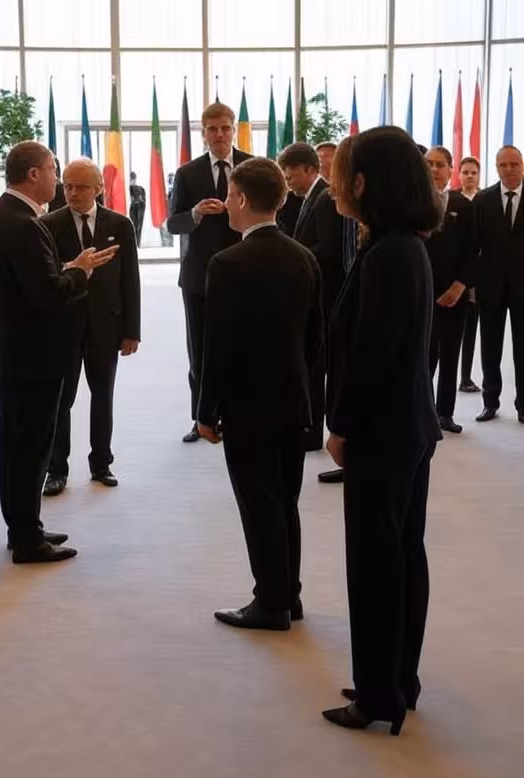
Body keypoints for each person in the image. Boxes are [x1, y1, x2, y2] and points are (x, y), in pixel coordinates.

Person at [322, 128, 442, 735]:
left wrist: (340, 425)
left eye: (344, 174)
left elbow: (371, 354)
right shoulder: (404, 244)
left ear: (365, 183)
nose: (335, 184)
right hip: (408, 427)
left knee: (375, 564)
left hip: (383, 432)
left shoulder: (390, 252)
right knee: (401, 556)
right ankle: (398, 679)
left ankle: (378, 695)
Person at [197, 158, 323, 631]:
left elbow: (218, 347)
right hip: (293, 401)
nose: (227, 203)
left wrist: (206, 410)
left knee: (258, 503)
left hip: (249, 407)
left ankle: (269, 603)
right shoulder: (304, 257)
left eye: (230, 195)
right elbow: (317, 341)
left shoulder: (227, 262)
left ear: (244, 200)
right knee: (284, 500)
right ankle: (288, 595)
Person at [0, 141, 117, 564]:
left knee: (18, 444)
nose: (58, 181)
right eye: (54, 170)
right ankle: (25, 538)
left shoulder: (1, 215)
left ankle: (24, 526)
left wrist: (70, 268)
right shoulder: (21, 223)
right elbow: (47, 294)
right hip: (32, 355)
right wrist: (81, 271)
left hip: (14, 351)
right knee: (29, 446)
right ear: (34, 174)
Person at [42, 158, 140, 494]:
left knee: (103, 397)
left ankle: (101, 463)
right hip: (63, 327)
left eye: (81, 186)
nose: (72, 193)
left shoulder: (120, 224)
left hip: (106, 325)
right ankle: (57, 469)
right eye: (67, 185)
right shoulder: (49, 224)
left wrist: (131, 330)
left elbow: (130, 280)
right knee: (62, 400)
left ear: (99, 188)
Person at [168, 102, 253, 443]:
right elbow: (172, 223)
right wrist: (196, 213)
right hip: (198, 275)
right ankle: (200, 417)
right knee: (199, 349)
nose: (219, 134)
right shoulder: (188, 173)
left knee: (242, 345)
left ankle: (238, 413)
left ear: (234, 130)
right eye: (212, 129)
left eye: (225, 128)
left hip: (244, 272)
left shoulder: (252, 166)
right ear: (203, 133)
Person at [278, 142, 330, 452]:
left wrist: (294, 256)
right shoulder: (309, 199)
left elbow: (328, 247)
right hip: (312, 292)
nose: (288, 181)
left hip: (322, 296)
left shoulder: (323, 199)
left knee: (316, 367)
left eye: (292, 175)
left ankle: (312, 432)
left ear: (311, 170)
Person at [425, 146, 477, 434]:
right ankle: (425, 412)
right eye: (428, 164)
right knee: (424, 357)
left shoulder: (464, 205)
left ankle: (446, 413)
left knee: (450, 355)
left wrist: (460, 286)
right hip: (422, 293)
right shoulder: (411, 203)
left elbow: (473, 250)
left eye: (439, 164)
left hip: (454, 293)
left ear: (449, 168)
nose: (433, 169)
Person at [472, 145, 524, 424]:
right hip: (491, 287)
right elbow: (474, 245)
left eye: (514, 164)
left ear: (522, 165)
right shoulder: (483, 200)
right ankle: (490, 402)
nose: (509, 170)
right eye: (503, 165)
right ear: (496, 168)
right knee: (489, 348)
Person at [456, 156, 482, 392]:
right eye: (465, 172)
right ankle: (460, 376)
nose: (469, 176)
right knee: (460, 330)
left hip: (482, 274)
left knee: (474, 330)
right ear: (459, 174)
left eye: (473, 172)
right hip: (457, 274)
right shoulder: (453, 200)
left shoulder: (484, 200)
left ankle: (467, 376)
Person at [129, 172, 146, 246]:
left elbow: (143, 199)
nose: (133, 180)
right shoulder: (129, 189)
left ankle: (137, 243)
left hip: (140, 205)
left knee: (139, 225)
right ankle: (135, 242)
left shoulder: (141, 188)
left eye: (133, 178)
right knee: (134, 224)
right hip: (133, 206)